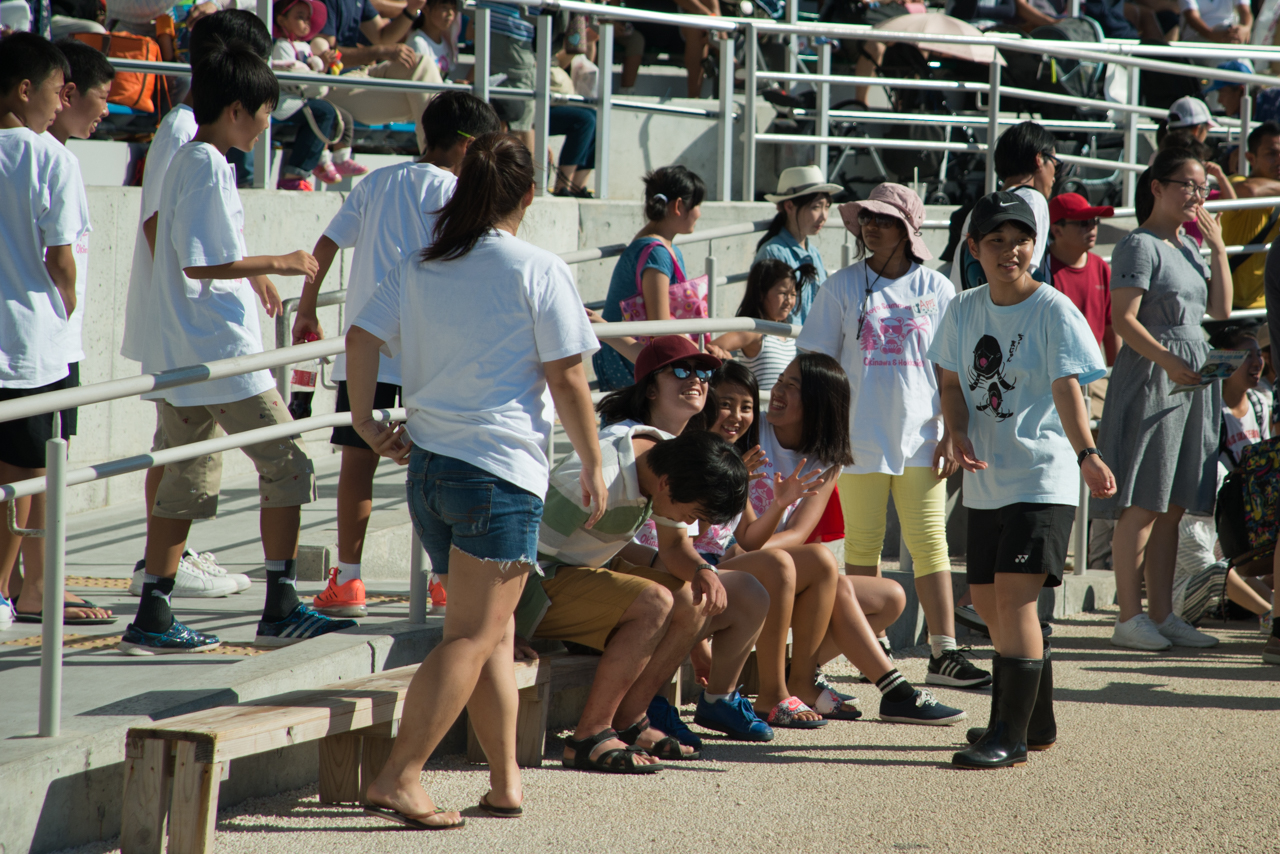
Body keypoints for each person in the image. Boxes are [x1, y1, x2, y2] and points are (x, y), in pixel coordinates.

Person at [348, 132, 605, 825]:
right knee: (470, 634)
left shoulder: (422, 263)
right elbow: (569, 376)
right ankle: (400, 775)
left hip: (431, 468)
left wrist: (368, 422)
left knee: (489, 631)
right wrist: (594, 462)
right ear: (529, 194)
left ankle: (505, 779)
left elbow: (360, 336)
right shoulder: (537, 267)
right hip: (497, 473)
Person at [123, 41, 347, 654]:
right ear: (239, 109)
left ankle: (155, 611)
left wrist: (258, 270)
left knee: (184, 476)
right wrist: (279, 260)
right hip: (220, 353)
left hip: (191, 352)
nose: (270, 123)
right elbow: (198, 261)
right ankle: (279, 604)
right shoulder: (203, 162)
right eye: (267, 111)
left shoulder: (197, 160)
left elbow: (180, 245)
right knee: (287, 463)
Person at [293, 91, 501, 619]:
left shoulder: (378, 182)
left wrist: (307, 309)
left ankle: (351, 580)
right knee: (436, 465)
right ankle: (442, 579)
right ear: (472, 145)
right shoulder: (463, 193)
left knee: (357, 464)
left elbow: (326, 246)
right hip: (435, 355)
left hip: (369, 348)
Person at [929, 191, 1115, 769]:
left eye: (1021, 239)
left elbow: (1068, 389)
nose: (1011, 250)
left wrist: (1087, 452)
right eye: (997, 241)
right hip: (987, 479)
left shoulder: (1053, 308)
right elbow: (953, 385)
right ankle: (1034, 720)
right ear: (975, 249)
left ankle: (1006, 734)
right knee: (986, 600)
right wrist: (954, 433)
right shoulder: (962, 309)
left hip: (1043, 475)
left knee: (1012, 600)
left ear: (1035, 245)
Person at [701, 357, 969, 726]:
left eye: (792, 385)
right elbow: (743, 538)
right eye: (780, 380)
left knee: (890, 597)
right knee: (822, 564)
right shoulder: (745, 429)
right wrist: (774, 544)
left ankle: (802, 675)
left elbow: (797, 533)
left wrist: (775, 532)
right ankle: (884, 690)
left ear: (818, 399)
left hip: (774, 567)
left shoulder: (827, 458)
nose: (777, 390)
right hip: (738, 563)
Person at [799, 183, 992, 691]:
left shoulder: (938, 288)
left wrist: (955, 431)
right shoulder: (840, 286)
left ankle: (944, 652)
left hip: (923, 438)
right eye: (866, 217)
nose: (871, 225)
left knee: (931, 543)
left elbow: (953, 373)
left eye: (883, 219)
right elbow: (814, 362)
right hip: (855, 439)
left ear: (908, 230)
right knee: (862, 545)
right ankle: (873, 645)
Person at [118, 9, 270, 602]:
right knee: (178, 448)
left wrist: (250, 275)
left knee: (177, 443)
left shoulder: (194, 130)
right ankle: (160, 565)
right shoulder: (188, 133)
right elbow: (162, 224)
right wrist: (186, 302)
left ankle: (165, 562)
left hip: (183, 311)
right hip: (183, 318)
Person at [519, 429, 759, 768]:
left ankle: (629, 720)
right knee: (655, 601)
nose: (695, 526)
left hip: (581, 567)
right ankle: (589, 736)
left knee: (692, 597)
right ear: (665, 485)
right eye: (693, 515)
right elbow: (521, 554)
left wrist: (704, 570)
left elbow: (675, 549)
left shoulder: (665, 459)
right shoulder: (595, 477)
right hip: (536, 583)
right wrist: (507, 628)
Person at [593, 337, 779, 739]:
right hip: (594, 573)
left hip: (643, 571)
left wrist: (696, 570)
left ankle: (719, 699)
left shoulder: (682, 449)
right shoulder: (620, 440)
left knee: (747, 590)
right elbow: (595, 537)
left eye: (703, 372)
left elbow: (677, 547)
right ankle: (642, 709)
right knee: (685, 590)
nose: (696, 379)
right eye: (681, 370)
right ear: (651, 387)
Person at [1093, 147, 1233, 652]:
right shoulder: (1139, 245)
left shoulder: (1189, 246)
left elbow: (1219, 308)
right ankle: (1129, 616)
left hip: (1192, 377)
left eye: (1202, 188)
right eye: (1187, 186)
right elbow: (1123, 321)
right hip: (1156, 376)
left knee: (1174, 504)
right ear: (1157, 185)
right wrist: (1170, 361)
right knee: (1144, 500)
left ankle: (1162, 612)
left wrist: (1217, 249)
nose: (1197, 197)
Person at [0, 33, 107, 628]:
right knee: (27, 479)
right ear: (25, 90)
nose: (59, 102)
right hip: (32, 347)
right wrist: (62, 306)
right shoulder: (47, 157)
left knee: (27, 477)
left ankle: (34, 588)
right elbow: (61, 259)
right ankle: (11, 591)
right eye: (54, 90)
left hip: (31, 344)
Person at [593, 165, 717, 391]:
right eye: (697, 204)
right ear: (679, 206)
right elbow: (661, 326)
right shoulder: (657, 252)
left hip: (625, 355)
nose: (699, 212)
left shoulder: (654, 243)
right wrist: (700, 351)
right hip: (630, 361)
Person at [315, 0, 445, 154]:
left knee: (422, 64)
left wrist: (411, 9)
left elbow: (383, 37)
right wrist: (380, 51)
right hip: (331, 85)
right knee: (422, 101)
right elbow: (328, 57)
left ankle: (439, 154)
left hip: (362, 73)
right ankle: (440, 156)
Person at [270, 0, 367, 189]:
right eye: (299, 17)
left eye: (307, 18)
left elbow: (310, 78)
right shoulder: (283, 46)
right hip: (286, 102)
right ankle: (294, 174)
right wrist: (316, 66)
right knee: (324, 112)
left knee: (340, 114)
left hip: (303, 99)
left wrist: (322, 67)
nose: (306, 22)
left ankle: (338, 158)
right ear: (282, 20)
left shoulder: (305, 47)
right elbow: (293, 80)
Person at [952, 121, 1057, 291]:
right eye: (1055, 164)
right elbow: (1023, 276)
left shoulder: (980, 208)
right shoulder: (1031, 199)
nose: (1054, 177)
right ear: (1039, 160)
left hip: (970, 311)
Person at [1047, 191, 1118, 436]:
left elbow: (1111, 330)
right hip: (1051, 378)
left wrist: (1115, 378)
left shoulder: (1101, 267)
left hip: (1094, 374)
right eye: (1083, 223)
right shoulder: (1041, 270)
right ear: (1056, 230)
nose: (1092, 228)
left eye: (1094, 221)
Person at [754, 165, 840, 325]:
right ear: (789, 206)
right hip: (787, 347)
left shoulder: (814, 253)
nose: (824, 216)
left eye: (827, 207)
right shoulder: (772, 252)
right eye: (816, 207)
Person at [709, 258, 800, 392]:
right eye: (783, 293)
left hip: (781, 411)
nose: (789, 301)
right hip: (761, 411)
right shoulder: (754, 331)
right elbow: (710, 348)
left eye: (793, 294)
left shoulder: (790, 334)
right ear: (761, 294)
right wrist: (728, 363)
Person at [1220, 122, 1280, 310]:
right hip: (1234, 305)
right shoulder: (1236, 182)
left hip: (1270, 305)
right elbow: (1249, 190)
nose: (1279, 159)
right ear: (1250, 158)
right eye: (1272, 153)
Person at [1180, 0, 1251, 46]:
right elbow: (1192, 17)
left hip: (1230, 36)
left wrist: (1245, 29)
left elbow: (1245, 11)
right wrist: (1211, 35)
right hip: (1197, 41)